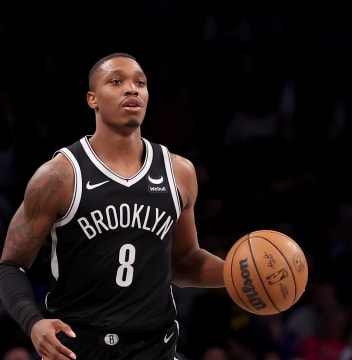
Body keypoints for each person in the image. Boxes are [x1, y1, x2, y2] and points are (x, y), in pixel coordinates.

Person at [0, 52, 225, 360]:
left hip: (155, 347)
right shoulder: (59, 176)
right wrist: (33, 323)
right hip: (80, 346)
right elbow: (10, 265)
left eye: (140, 83)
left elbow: (183, 263)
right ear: (92, 98)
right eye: (116, 82)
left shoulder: (179, 172)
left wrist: (237, 275)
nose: (132, 89)